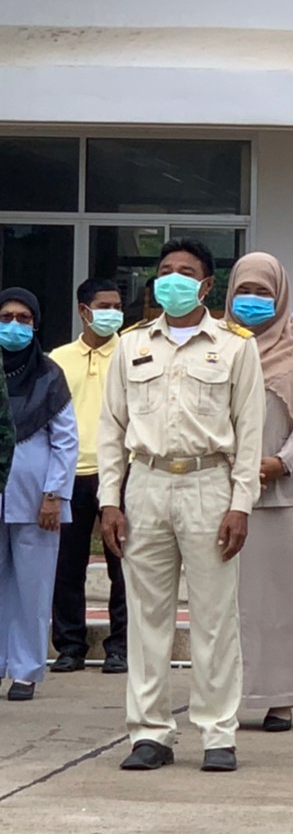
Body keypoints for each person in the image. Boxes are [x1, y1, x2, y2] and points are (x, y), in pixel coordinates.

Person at [98, 238, 265, 773]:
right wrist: (110, 499)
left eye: (184, 272)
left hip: (207, 484)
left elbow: (250, 434)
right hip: (145, 484)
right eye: (164, 271)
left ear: (206, 285)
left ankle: (218, 733)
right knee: (147, 617)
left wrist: (241, 502)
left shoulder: (237, 347)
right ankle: (149, 732)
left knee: (215, 617)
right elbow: (111, 429)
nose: (172, 279)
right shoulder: (131, 345)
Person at [226, 254, 293, 732]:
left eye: (263, 292)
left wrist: (281, 461)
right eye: (244, 290)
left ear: (282, 294)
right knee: (230, 602)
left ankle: (283, 699)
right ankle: (227, 693)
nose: (252, 301)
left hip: (289, 490)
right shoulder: (217, 340)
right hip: (226, 489)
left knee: (288, 599)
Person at [0, 288, 78, 701]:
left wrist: (54, 495)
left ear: (36, 325)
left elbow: (66, 442)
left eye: (24, 318)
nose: (14, 325)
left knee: (33, 588)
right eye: (7, 316)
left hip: (36, 499)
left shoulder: (49, 375)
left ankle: (27, 670)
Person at [49, 279, 129, 674]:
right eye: (104, 305)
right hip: (69, 472)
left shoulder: (132, 354)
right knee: (68, 565)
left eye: (117, 305)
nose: (112, 312)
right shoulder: (58, 359)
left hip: (122, 470)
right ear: (84, 311)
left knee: (123, 564)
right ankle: (69, 646)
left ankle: (121, 646)